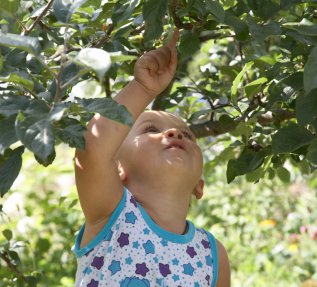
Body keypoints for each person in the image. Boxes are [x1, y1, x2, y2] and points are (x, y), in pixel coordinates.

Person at [73, 30, 231, 287]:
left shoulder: (212, 255)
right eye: (150, 130)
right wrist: (143, 88)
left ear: (199, 185)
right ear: (118, 169)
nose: (175, 133)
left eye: (188, 135)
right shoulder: (112, 214)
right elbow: (92, 149)